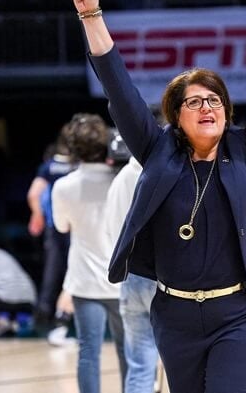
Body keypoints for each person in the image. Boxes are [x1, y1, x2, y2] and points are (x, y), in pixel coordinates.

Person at [71, 0, 246, 392]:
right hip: (175, 315)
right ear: (176, 115)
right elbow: (119, 90)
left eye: (215, 100)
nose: (208, 106)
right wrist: (91, 16)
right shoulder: (156, 150)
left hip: (243, 312)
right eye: (195, 101)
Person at [51, 113, 127, 393]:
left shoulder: (63, 186)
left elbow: (61, 226)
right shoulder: (122, 180)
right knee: (127, 351)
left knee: (88, 352)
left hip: (84, 281)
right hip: (122, 280)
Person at [105, 155, 159, 393]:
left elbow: (110, 232)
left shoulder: (118, 181)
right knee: (183, 365)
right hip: (160, 278)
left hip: (130, 279)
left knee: (139, 366)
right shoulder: (158, 175)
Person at [26, 122, 75, 323]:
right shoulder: (79, 165)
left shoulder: (49, 167)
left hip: (54, 225)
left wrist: (37, 214)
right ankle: (68, 312)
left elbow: (33, 194)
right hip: (77, 226)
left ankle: (44, 312)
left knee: (52, 268)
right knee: (75, 269)